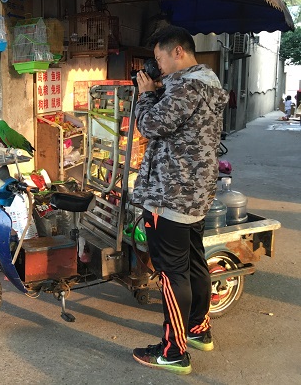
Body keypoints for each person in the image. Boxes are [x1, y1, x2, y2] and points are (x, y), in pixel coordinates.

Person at [131, 26, 228, 375]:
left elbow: (152, 126)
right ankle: (199, 328)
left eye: (159, 59)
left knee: (172, 274)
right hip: (195, 192)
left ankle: (174, 351)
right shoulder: (209, 83)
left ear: (178, 53)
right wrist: (159, 90)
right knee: (194, 264)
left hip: (170, 194)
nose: (158, 67)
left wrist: (145, 94)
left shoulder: (186, 85)